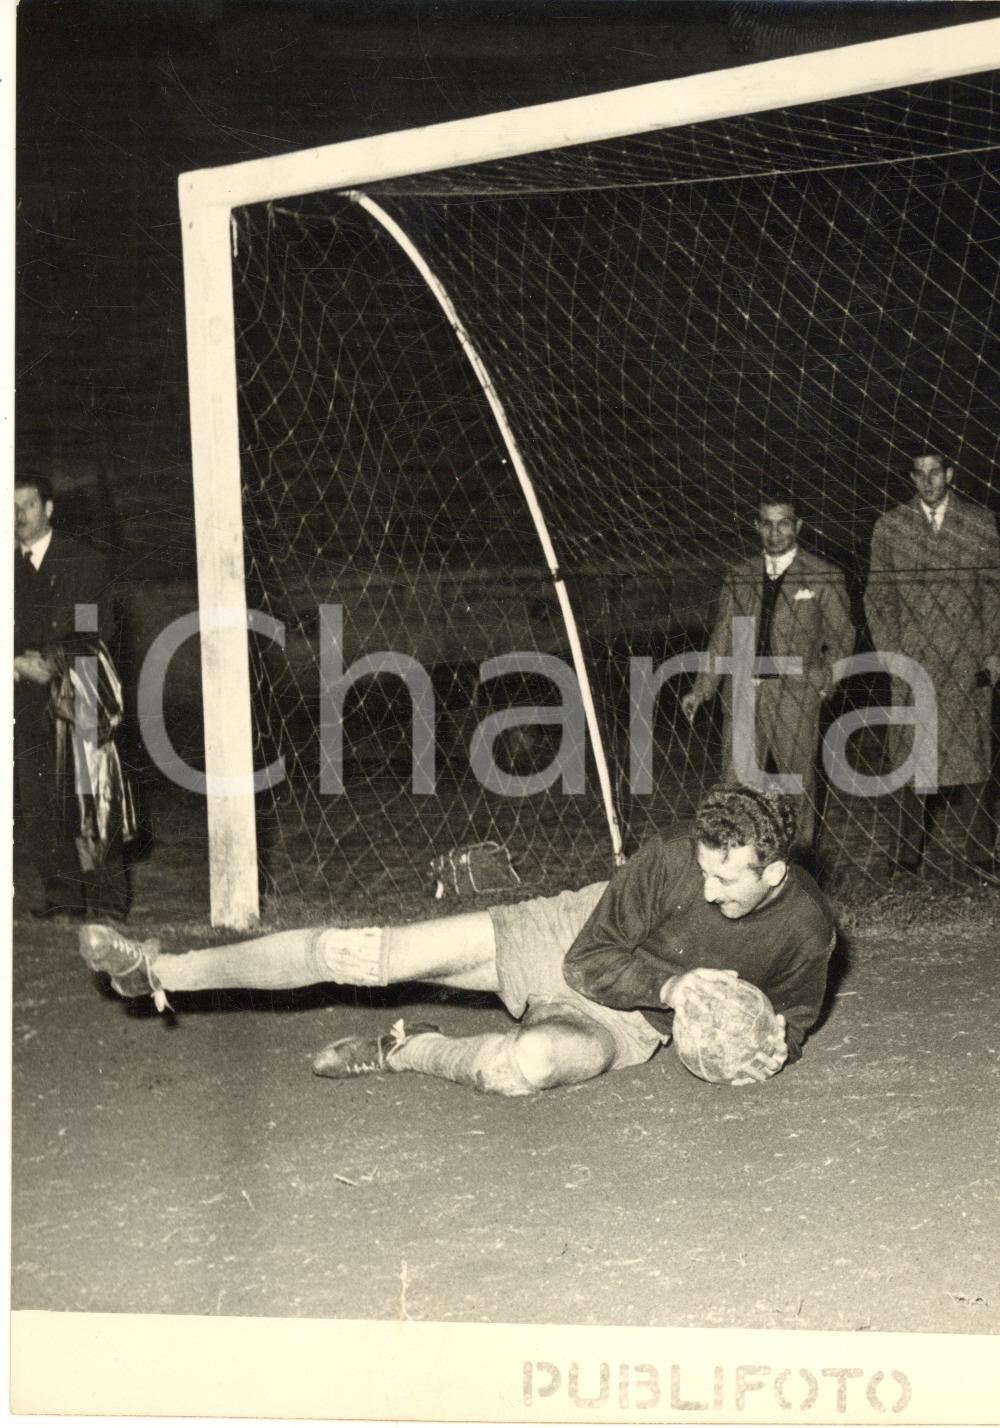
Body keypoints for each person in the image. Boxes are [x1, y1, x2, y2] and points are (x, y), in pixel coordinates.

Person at [78, 787, 836, 1096]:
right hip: (565, 936)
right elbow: (586, 960)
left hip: (624, 1021)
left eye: (726, 882)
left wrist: (772, 1048)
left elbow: (793, 1017)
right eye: (702, 872)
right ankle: (157, 966)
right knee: (360, 953)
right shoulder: (670, 859)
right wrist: (673, 986)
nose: (706, 890)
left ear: (773, 872)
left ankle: (407, 1048)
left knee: (527, 1069)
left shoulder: (808, 928)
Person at [681, 492, 854, 856]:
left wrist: (824, 681)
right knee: (736, 783)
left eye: (784, 523)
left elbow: (842, 638)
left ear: (798, 526)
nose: (776, 533)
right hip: (743, 691)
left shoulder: (822, 575)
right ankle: (737, 861)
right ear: (757, 527)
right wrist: (703, 688)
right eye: (768, 524)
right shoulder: (739, 576)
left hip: (794, 692)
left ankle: (801, 865)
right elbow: (723, 636)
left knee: (798, 783)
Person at [864, 450, 1000, 878]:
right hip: (913, 660)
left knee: (972, 760)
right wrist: (891, 654)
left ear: (950, 474)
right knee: (910, 758)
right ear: (912, 478)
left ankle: (979, 858)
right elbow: (877, 598)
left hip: (966, 662)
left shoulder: (979, 523)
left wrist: (993, 652)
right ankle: (906, 858)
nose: (927, 481)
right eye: (919, 474)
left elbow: (994, 592)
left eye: (935, 472)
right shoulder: (891, 526)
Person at [14, 475, 133, 920]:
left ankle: (106, 902)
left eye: (27, 504)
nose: (18, 515)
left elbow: (93, 628)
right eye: (11, 507)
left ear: (48, 509)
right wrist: (16, 664)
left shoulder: (85, 563)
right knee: (39, 798)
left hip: (78, 690)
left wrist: (51, 658)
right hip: (24, 698)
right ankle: (60, 897)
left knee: (90, 795)